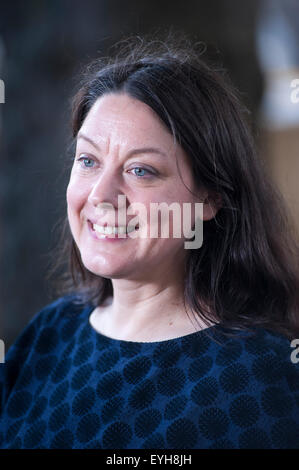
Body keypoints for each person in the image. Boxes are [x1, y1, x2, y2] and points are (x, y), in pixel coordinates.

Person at [0, 34, 299, 449]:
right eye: (88, 161)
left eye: (141, 170)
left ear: (209, 199)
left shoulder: (262, 379)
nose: (101, 196)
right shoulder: (50, 332)